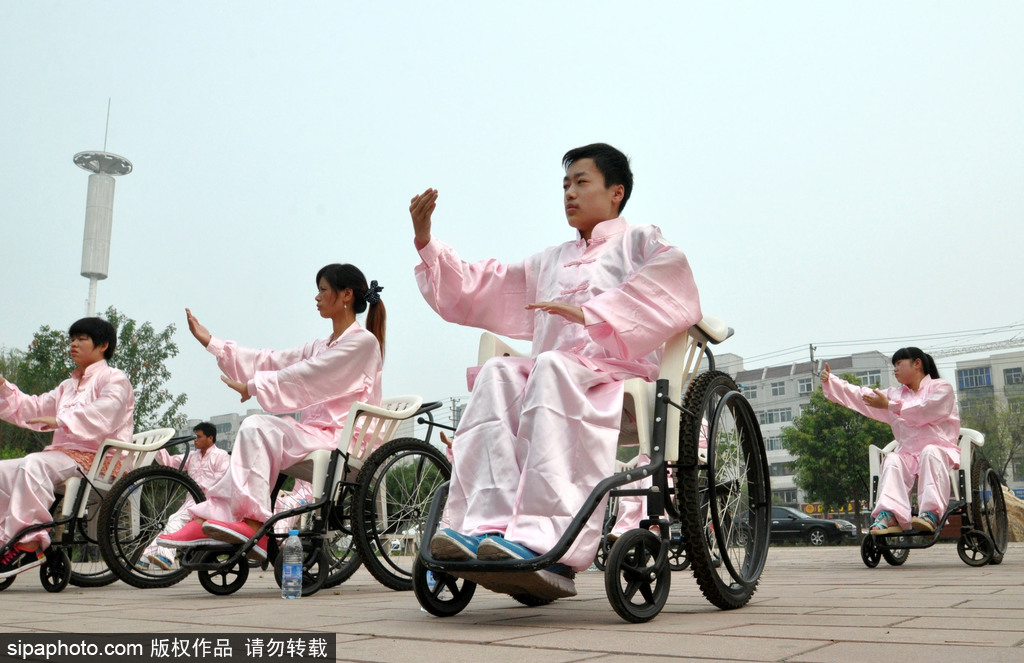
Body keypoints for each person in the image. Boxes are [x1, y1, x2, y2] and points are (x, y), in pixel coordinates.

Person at [409, 143, 702, 598]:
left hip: (617, 378)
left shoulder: (639, 241)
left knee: (550, 367)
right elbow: (483, 283)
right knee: (497, 374)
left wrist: (593, 313)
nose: (569, 192)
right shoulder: (550, 259)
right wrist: (427, 241)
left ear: (616, 192)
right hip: (556, 376)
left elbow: (673, 281)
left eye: (581, 182)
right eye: (565, 184)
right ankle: (481, 528)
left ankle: (545, 540)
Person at [157, 264, 386, 561]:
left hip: (342, 441)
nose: (316, 297)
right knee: (256, 429)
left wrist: (252, 387)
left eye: (322, 290)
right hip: (315, 435)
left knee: (257, 427)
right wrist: (213, 344)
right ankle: (211, 520)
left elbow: (310, 375)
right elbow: (273, 360)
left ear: (345, 295)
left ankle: (253, 525)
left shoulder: (363, 343)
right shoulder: (321, 344)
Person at [0, 317, 135, 578]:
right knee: (3, 470)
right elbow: (35, 407)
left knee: (33, 464)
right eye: (72, 339)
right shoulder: (67, 386)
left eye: (82, 339)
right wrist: (4, 388)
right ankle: (7, 542)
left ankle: (29, 542)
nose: (74, 344)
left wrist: (62, 420)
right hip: (63, 457)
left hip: (97, 458)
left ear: (103, 345)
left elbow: (105, 411)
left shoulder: (115, 379)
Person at [821, 347, 960, 535]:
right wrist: (832, 381)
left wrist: (890, 406)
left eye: (898, 364)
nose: (895, 370)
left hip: (939, 450)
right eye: (894, 365)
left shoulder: (941, 388)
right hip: (908, 454)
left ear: (917, 363)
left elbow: (926, 410)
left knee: (929, 451)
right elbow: (861, 395)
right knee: (893, 460)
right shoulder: (895, 395)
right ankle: (890, 514)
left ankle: (931, 514)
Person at [136, 422, 229, 570]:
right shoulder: (193, 456)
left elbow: (221, 480)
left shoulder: (221, 456)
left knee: (174, 520)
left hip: (210, 502)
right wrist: (157, 446)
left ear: (210, 438)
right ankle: (145, 558)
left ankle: (165, 557)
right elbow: (170, 462)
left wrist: (199, 487)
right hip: (192, 500)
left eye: (199, 437)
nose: (195, 440)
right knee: (173, 523)